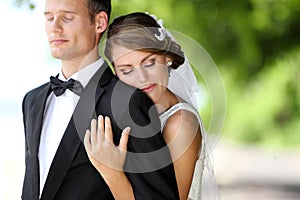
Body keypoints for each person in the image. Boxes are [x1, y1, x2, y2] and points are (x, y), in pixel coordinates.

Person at [21, 0, 180, 199]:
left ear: (99, 23)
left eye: (67, 17)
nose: (54, 27)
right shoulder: (32, 101)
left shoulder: (129, 102)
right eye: (49, 18)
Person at [84, 12, 219, 200]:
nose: (142, 78)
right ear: (115, 73)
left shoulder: (181, 125)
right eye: (127, 70)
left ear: (166, 58)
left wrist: (112, 173)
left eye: (149, 63)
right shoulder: (132, 116)